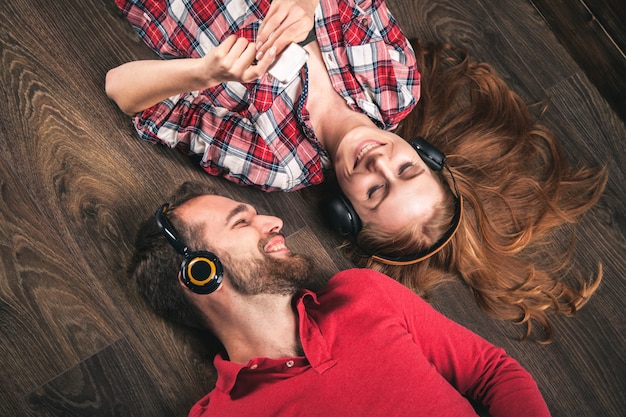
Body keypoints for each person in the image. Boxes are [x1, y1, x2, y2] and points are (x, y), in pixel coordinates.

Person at [107, 0, 608, 341]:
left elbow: (123, 91)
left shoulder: (279, 161)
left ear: (344, 209)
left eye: (374, 191)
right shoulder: (395, 83)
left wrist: (204, 73)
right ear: (425, 154)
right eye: (408, 169)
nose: (379, 161)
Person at [128, 180, 551, 417]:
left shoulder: (362, 293)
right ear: (200, 274)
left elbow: (493, 372)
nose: (274, 222)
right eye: (242, 222)